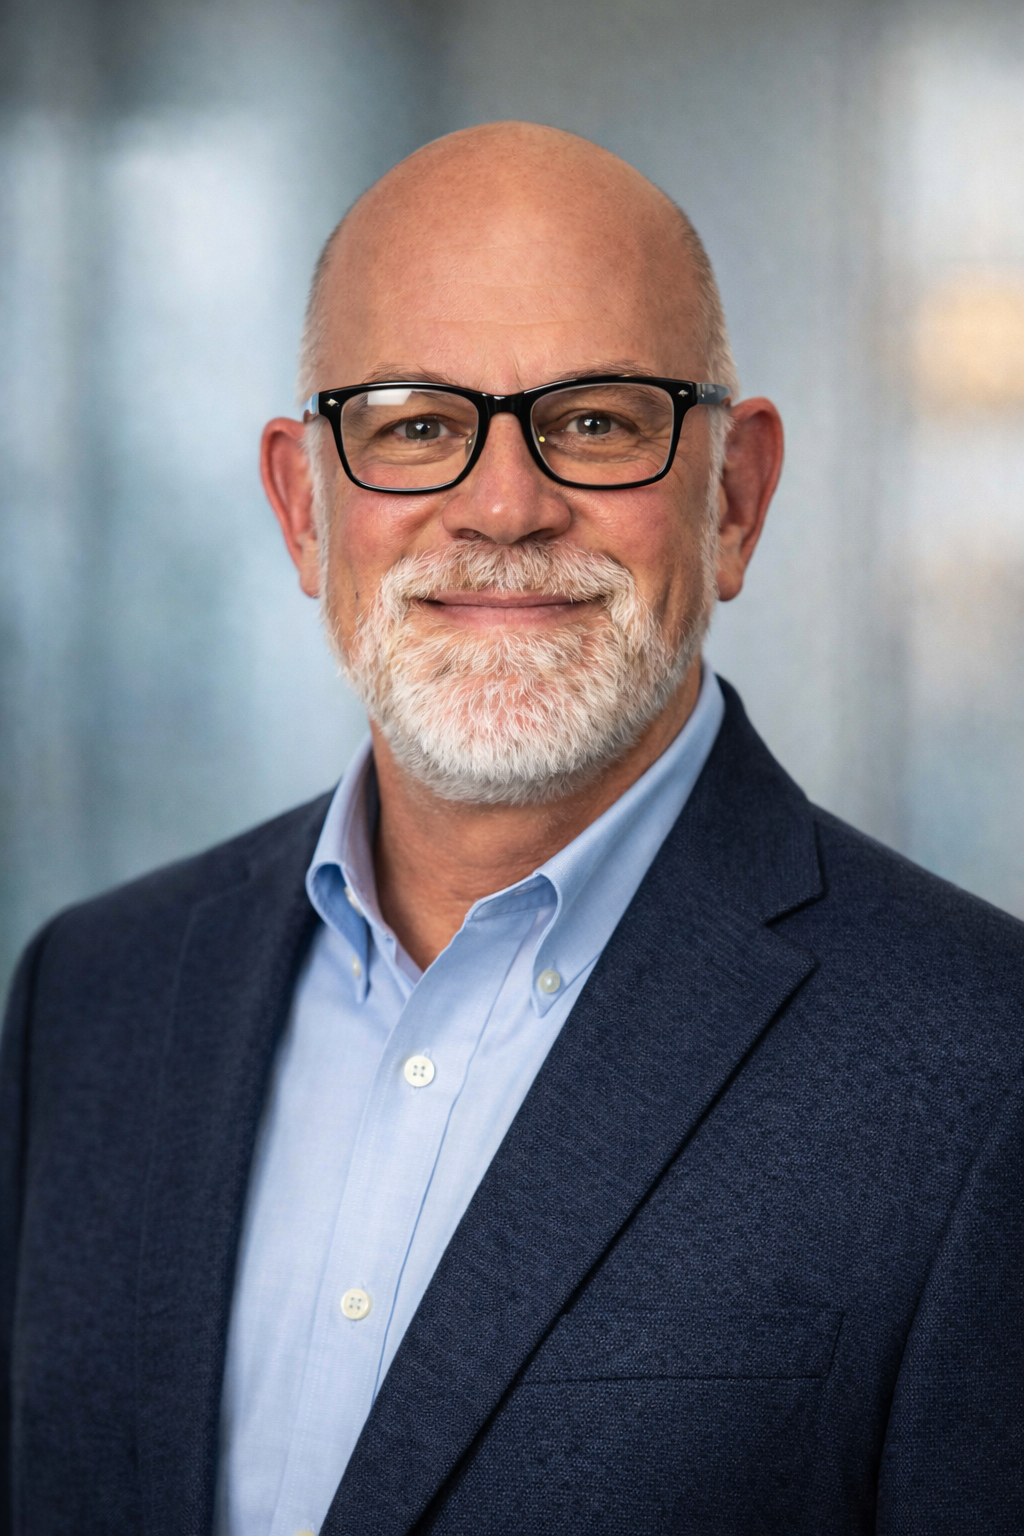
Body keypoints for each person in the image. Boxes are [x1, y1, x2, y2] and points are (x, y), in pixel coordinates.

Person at [1, 122, 1021, 1536]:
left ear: (733, 497)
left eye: (598, 421)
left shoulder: (983, 1065)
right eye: (416, 423)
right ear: (305, 508)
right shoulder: (91, 1001)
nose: (504, 506)